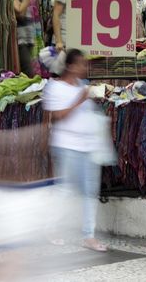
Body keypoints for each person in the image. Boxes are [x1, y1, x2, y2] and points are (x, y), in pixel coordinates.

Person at [41, 48, 107, 252]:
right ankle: (50, 228)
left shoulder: (83, 87)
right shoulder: (54, 87)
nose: (84, 67)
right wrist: (79, 101)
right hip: (66, 146)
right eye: (81, 63)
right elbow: (58, 116)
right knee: (65, 190)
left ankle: (89, 235)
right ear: (70, 66)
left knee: (90, 192)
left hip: (88, 147)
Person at [5, 0, 36, 76]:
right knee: (28, 75)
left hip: (27, 38)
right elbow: (19, 12)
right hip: (19, 39)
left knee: (27, 75)